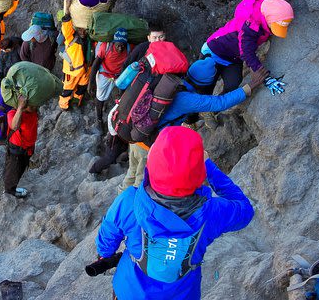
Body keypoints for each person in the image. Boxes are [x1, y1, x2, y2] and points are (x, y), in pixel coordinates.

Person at [96, 127, 254, 300]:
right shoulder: (213, 212)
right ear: (198, 173)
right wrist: (209, 167)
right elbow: (245, 210)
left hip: (129, 292)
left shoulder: (129, 202)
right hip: (182, 294)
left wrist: (104, 255)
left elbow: (108, 238)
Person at [116, 59, 267, 191]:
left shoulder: (171, 83)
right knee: (139, 185)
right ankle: (129, 217)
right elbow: (220, 103)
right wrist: (250, 87)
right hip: (147, 146)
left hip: (135, 134)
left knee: (130, 175)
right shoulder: (188, 99)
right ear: (205, 83)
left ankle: (118, 206)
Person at [204, 0, 319, 94]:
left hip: (233, 57)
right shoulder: (250, 28)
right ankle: (203, 110)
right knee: (205, 84)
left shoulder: (272, 3)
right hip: (214, 50)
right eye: (276, 25)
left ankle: (216, 108)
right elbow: (248, 55)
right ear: (268, 19)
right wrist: (267, 79)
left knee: (233, 84)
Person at [58, 0, 95, 111]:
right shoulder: (70, 37)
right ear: (76, 27)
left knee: (81, 88)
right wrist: (67, 8)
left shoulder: (90, 38)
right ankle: (64, 106)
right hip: (71, 70)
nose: (83, 31)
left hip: (85, 69)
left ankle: (76, 103)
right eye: (80, 29)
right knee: (67, 89)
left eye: (84, 29)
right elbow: (66, 25)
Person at [88, 28, 129, 129]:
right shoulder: (105, 47)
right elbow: (95, 65)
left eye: (122, 46)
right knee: (100, 97)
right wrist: (91, 82)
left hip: (118, 76)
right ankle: (99, 119)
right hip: (104, 74)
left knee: (120, 97)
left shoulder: (129, 48)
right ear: (114, 43)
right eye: (118, 46)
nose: (120, 48)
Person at [4, 95, 38, 198]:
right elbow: (14, 126)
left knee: (20, 169)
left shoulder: (33, 112)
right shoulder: (13, 113)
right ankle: (9, 191)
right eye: (30, 106)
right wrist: (20, 107)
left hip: (28, 148)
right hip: (17, 149)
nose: (34, 107)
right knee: (13, 171)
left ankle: (12, 185)